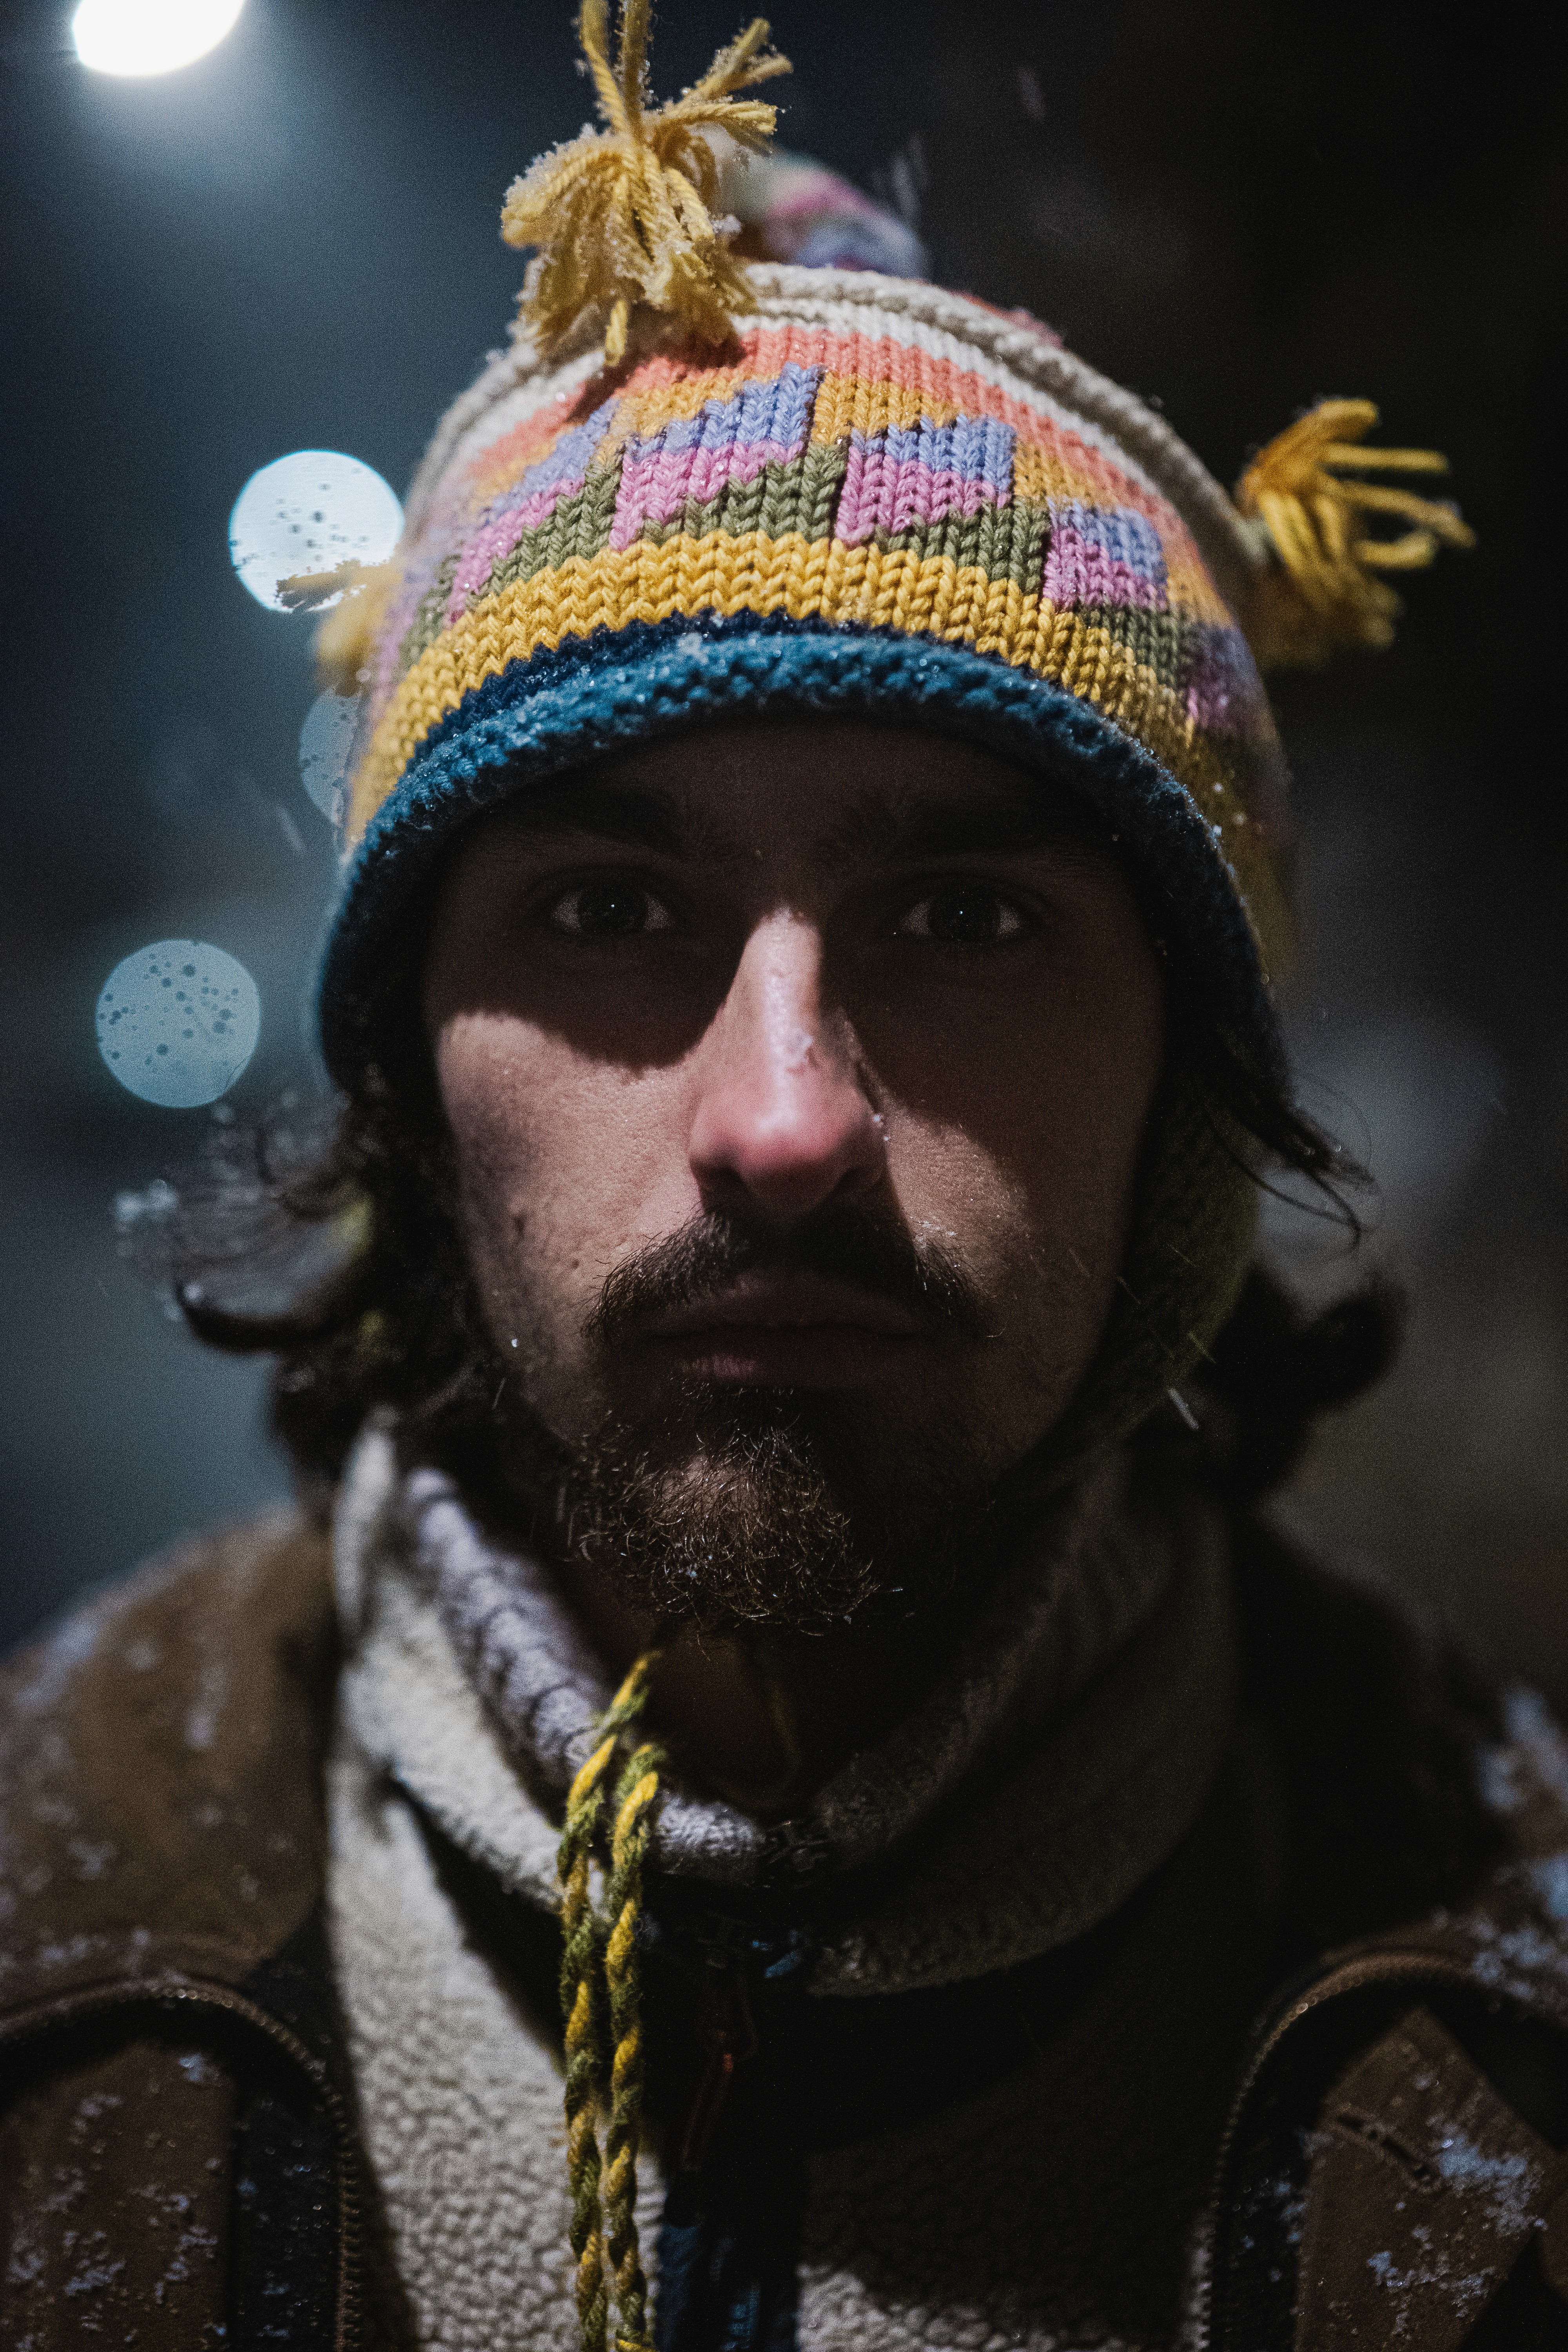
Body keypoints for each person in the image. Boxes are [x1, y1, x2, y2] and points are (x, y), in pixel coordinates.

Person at [4, 7, 1559, 2348]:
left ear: (1196, 1090)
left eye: (969, 920)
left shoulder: (1510, 1993)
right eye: (610, 913)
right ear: (408, 1075)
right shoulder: (45, 1911)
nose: (784, 1118)